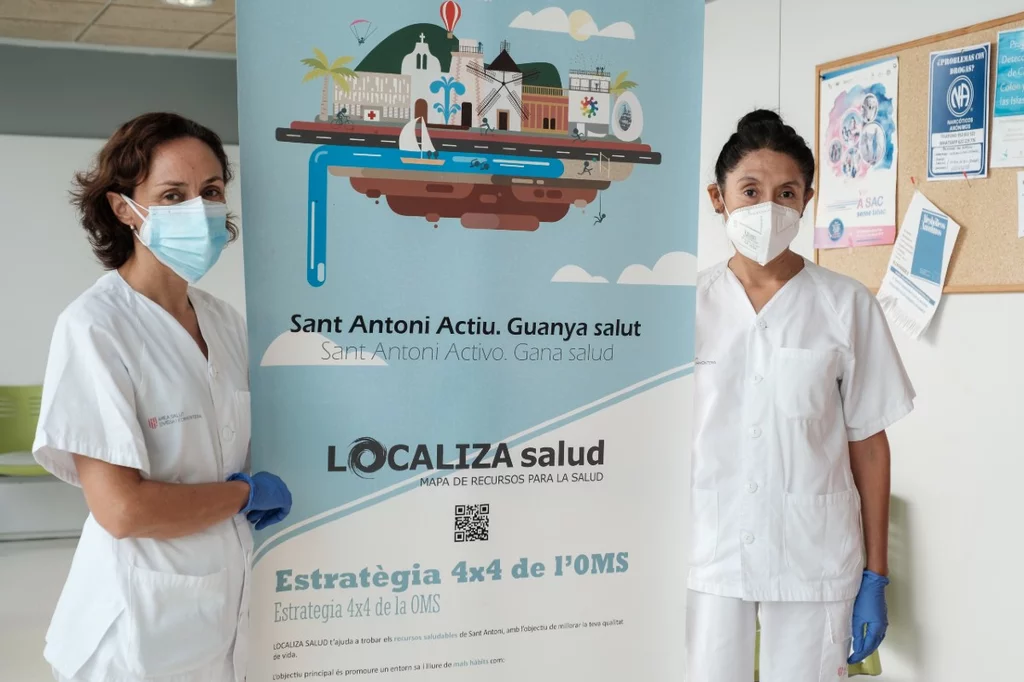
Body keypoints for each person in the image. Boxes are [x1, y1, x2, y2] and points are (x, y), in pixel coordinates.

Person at [32, 112, 293, 682]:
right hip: (136, 632)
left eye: (212, 192)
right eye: (172, 195)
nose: (198, 211)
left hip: (221, 617)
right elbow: (122, 510)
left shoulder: (225, 324)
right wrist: (241, 496)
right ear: (126, 209)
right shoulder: (96, 328)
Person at [687, 109, 915, 682]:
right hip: (709, 553)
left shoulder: (845, 304)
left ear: (807, 199)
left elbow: (869, 443)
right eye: (750, 190)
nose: (769, 207)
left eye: (786, 192)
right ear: (719, 198)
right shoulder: (688, 306)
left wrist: (876, 574)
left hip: (814, 556)